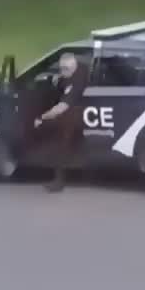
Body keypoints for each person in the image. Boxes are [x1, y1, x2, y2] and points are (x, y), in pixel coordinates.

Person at [36, 52, 88, 192]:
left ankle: (58, 181)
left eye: (64, 70)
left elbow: (62, 107)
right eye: (60, 69)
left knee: (59, 142)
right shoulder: (78, 69)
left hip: (76, 114)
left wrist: (42, 118)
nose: (62, 72)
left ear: (71, 68)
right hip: (77, 111)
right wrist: (57, 78)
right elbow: (64, 81)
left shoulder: (77, 82)